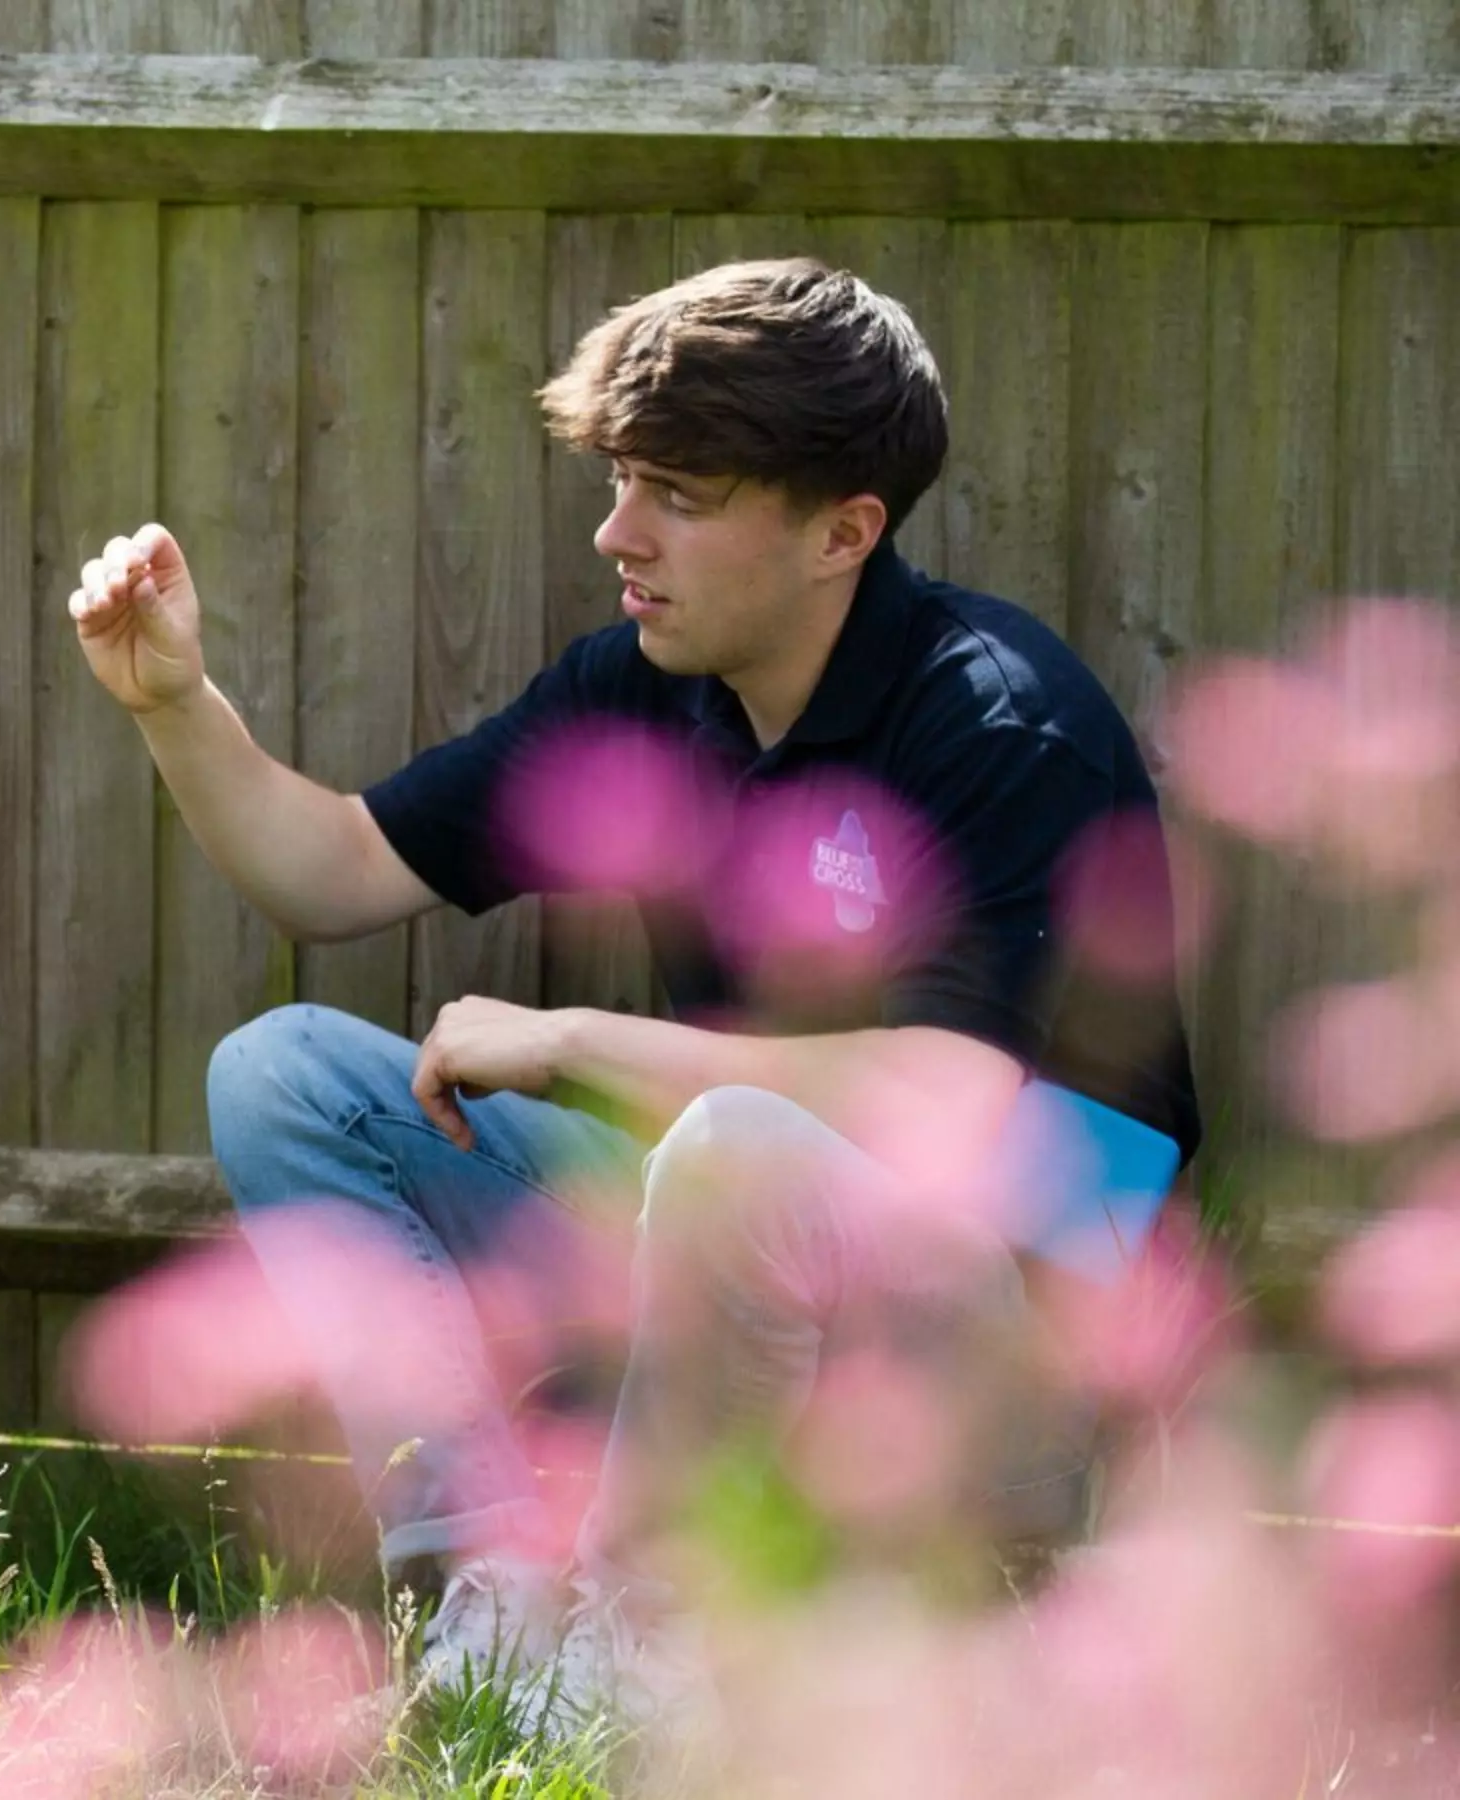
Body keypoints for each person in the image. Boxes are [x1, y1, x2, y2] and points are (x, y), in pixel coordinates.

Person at [66, 259, 1198, 1729]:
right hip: (733, 1270)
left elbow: (955, 1096)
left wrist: (571, 1039)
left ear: (843, 531)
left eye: (678, 493)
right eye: (619, 481)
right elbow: (333, 871)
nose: (618, 533)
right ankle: (496, 1594)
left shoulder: (998, 720)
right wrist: (174, 705)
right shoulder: (644, 686)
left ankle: (652, 1635)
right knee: (283, 1074)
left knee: (737, 1142)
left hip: (1018, 1332)